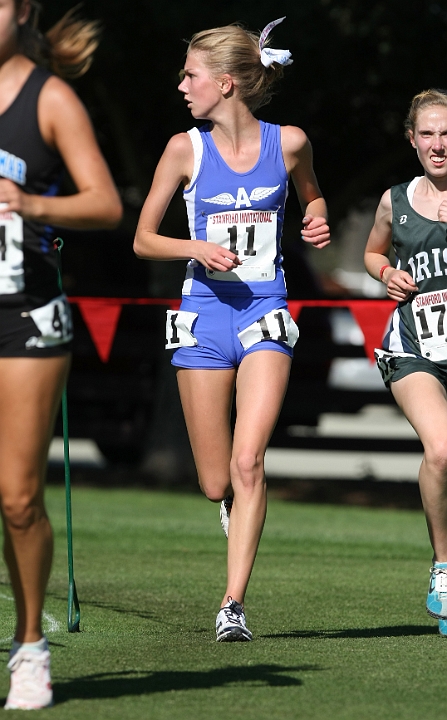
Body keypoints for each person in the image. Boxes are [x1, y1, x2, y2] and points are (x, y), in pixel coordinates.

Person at [134, 18, 329, 642]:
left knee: (249, 461)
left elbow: (313, 197)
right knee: (217, 479)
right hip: (202, 316)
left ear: (225, 83)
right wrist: (196, 246)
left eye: (192, 75)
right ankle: (228, 504)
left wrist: (317, 222)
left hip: (264, 311)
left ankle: (232, 606)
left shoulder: (289, 142)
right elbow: (142, 239)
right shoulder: (182, 149)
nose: (183, 85)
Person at [0, 0, 122, 709]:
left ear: (24, 14)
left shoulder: (50, 98)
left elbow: (105, 204)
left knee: (17, 498)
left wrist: (29, 203)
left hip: (25, 315)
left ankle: (29, 649)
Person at [364, 88, 447, 638]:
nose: (439, 145)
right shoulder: (395, 200)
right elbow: (373, 251)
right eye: (429, 134)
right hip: (416, 346)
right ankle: (444, 568)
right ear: (412, 140)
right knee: (442, 450)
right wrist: (384, 273)